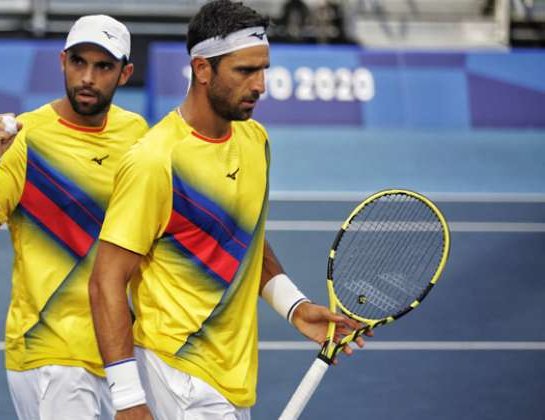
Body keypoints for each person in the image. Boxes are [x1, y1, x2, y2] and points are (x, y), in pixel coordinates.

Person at [88, 1, 367, 419]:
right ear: (202, 70)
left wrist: (294, 306)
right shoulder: (155, 160)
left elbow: (242, 235)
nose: (260, 85)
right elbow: (105, 281)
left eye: (263, 69)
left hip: (232, 377)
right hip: (177, 376)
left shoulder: (254, 142)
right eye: (244, 71)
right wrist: (129, 398)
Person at [0, 14, 149, 420]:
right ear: (62, 61)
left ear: (125, 73)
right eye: (79, 62)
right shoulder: (26, 139)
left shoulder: (137, 135)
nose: (88, 77)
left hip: (118, 351)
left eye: (103, 66)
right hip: (50, 352)